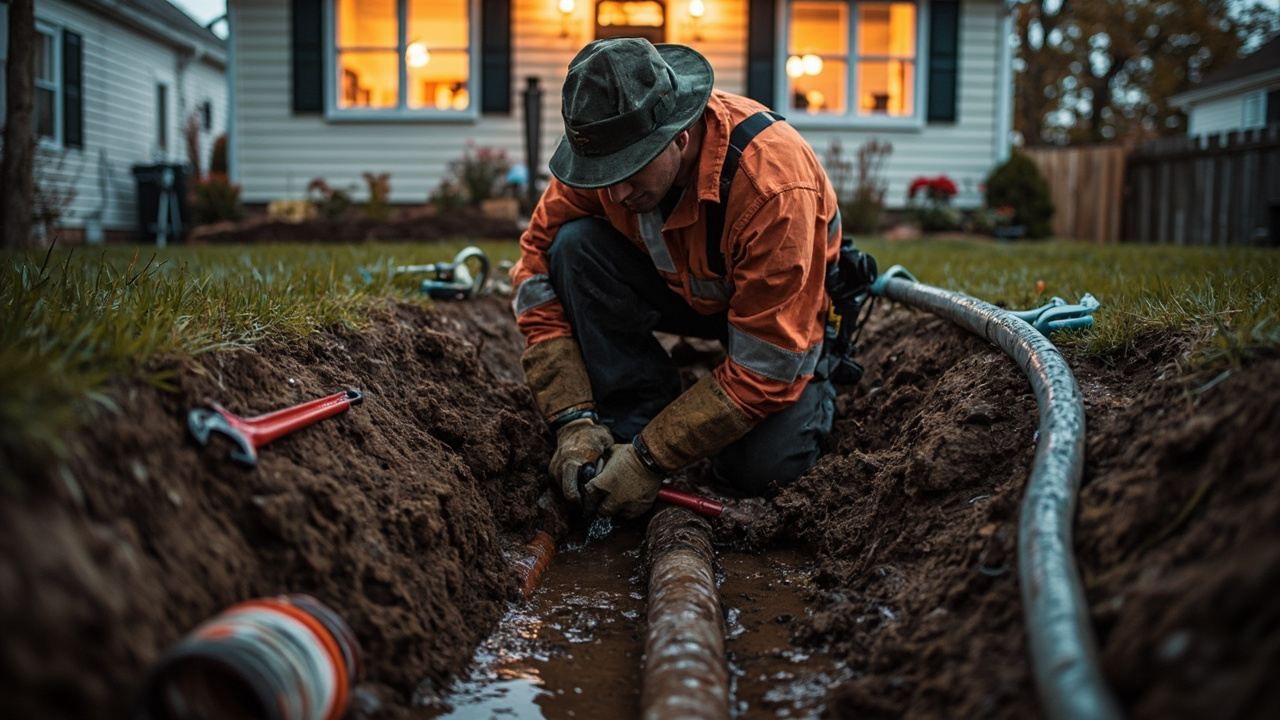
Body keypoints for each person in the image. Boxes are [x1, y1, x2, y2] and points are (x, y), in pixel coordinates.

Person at [511, 38, 844, 519]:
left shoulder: (773, 186)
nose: (616, 191)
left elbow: (766, 367)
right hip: (684, 288)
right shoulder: (601, 156)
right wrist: (573, 417)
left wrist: (651, 457)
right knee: (572, 245)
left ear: (680, 137)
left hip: (778, 318)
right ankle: (639, 404)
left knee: (760, 471)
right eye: (603, 175)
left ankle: (823, 380)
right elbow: (534, 270)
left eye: (630, 172)